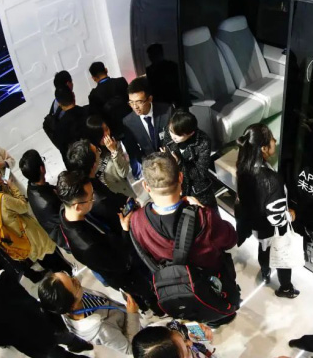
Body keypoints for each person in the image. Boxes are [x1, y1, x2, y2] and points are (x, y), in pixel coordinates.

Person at [125, 153, 239, 320]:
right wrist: (202, 209)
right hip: (211, 283)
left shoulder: (137, 220)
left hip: (177, 289)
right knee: (218, 307)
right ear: (180, 177)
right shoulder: (203, 217)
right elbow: (231, 239)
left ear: (146, 186)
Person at [56, 171, 161, 315]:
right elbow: (123, 262)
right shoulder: (87, 245)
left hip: (111, 255)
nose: (94, 199)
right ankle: (156, 309)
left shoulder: (66, 212)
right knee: (145, 292)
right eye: (91, 197)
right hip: (124, 275)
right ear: (77, 206)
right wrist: (125, 230)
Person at [235, 123, 300, 298]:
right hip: (272, 229)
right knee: (282, 258)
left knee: (263, 249)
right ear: (263, 148)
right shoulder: (272, 180)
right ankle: (286, 288)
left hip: (256, 225)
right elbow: (276, 218)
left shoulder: (243, 165)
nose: (275, 140)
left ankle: (265, 272)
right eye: (271, 138)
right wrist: (290, 215)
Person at [0, 166, 71, 274]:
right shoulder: (2, 199)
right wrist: (12, 186)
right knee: (57, 261)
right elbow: (23, 206)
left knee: (48, 264)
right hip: (34, 236)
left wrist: (2, 188)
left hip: (22, 242)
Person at [39, 271, 141, 355]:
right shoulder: (101, 329)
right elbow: (130, 349)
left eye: (69, 275)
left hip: (125, 316)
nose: (76, 279)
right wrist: (132, 314)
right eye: (73, 283)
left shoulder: (72, 300)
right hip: (135, 333)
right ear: (72, 305)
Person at [66, 139, 128, 231]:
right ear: (94, 164)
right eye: (97, 151)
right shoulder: (98, 198)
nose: (100, 151)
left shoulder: (87, 180)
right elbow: (117, 222)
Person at [161, 110, 216, 208]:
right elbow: (167, 150)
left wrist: (179, 163)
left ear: (190, 133)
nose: (173, 137)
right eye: (171, 131)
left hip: (196, 189)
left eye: (178, 135)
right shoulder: (169, 130)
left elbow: (201, 173)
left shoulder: (203, 141)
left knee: (206, 214)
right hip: (176, 186)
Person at [123, 77, 172, 179]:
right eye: (131, 102)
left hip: (171, 161)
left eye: (139, 102)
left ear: (150, 99)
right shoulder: (128, 122)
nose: (135, 107)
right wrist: (148, 164)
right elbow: (133, 149)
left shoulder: (167, 111)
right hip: (151, 167)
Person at [20, 149, 68, 249]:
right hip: (67, 237)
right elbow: (68, 220)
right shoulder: (48, 202)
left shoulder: (32, 186)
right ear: (42, 168)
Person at [85, 115, 136, 198]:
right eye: (101, 134)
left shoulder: (115, 144)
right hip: (108, 196)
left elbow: (124, 173)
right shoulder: (93, 155)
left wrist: (114, 151)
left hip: (125, 192)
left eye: (106, 129)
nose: (106, 135)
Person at [87, 61, 132, 139]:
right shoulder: (121, 81)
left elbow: (97, 118)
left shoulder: (93, 95)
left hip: (115, 132)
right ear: (106, 70)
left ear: (93, 78)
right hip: (132, 122)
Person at [132, 323, 214, 358]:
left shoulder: (161, 327)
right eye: (187, 349)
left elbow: (180, 323)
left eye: (183, 339)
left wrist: (192, 330)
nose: (190, 343)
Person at [55, 86, 88, 161]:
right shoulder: (89, 111)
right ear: (73, 95)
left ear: (59, 104)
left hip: (81, 163)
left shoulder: (59, 128)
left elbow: (65, 155)